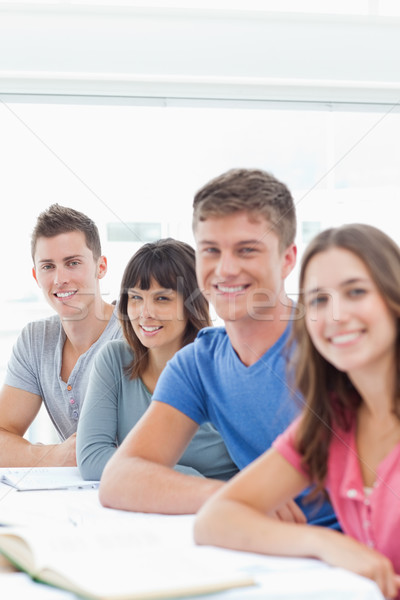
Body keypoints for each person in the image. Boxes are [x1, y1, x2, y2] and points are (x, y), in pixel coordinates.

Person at [99, 167, 337, 528]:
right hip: (277, 551)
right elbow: (119, 479)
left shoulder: (333, 345)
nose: (225, 269)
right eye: (211, 250)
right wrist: (231, 497)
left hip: (366, 554)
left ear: (288, 259)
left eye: (247, 250)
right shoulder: (199, 364)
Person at [194, 223, 400, 599]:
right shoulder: (333, 422)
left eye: (355, 292)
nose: (336, 315)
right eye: (319, 300)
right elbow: (215, 520)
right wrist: (324, 543)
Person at [76, 238, 238, 482]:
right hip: (157, 506)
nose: (145, 313)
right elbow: (92, 458)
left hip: (223, 507)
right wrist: (187, 479)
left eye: (162, 299)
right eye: (136, 298)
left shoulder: (225, 365)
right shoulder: (114, 360)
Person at [0, 204, 121, 467]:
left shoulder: (135, 332)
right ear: (35, 275)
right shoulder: (35, 339)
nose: (59, 279)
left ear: (101, 267)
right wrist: (56, 455)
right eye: (48, 267)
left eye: (73, 263)